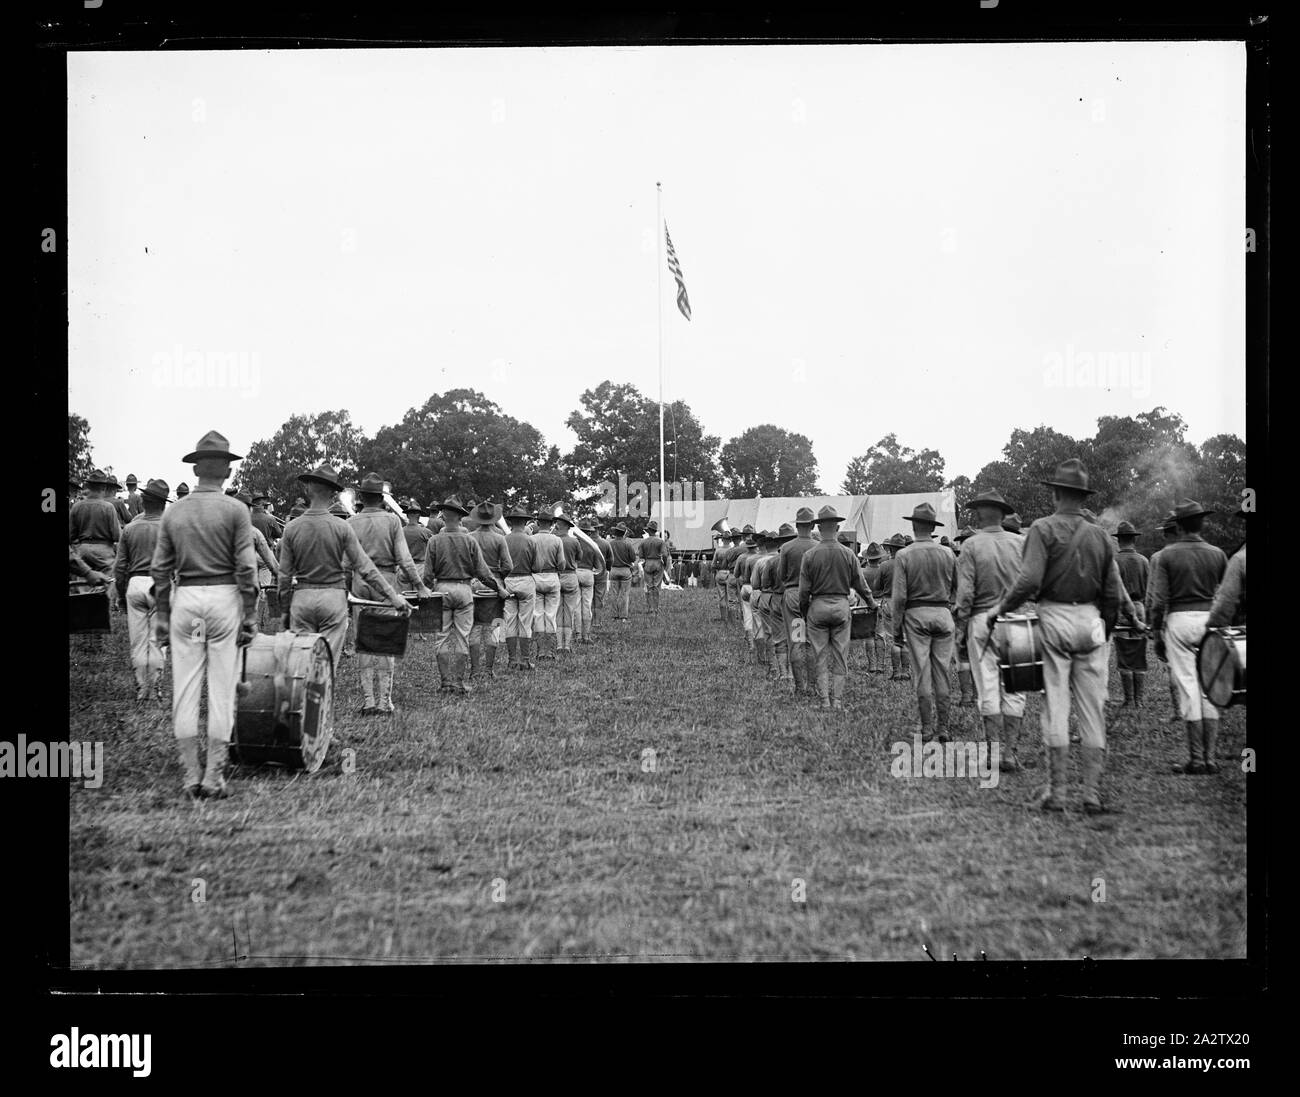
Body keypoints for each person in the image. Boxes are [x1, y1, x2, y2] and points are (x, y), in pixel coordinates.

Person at [986, 459, 1120, 813]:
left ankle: (1057, 792)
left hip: (1055, 615)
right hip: (1091, 618)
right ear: (1082, 495)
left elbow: (1029, 581)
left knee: (1056, 706)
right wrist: (1102, 629)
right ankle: (1091, 793)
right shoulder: (1100, 536)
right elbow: (1113, 595)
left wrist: (1001, 609)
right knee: (1093, 710)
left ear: (1057, 493)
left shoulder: (1042, 529)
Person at [150, 432, 259, 801]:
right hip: (224, 599)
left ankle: (189, 774)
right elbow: (246, 568)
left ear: (196, 469)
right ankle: (213, 775)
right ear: (227, 472)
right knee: (222, 688)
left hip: (187, 601)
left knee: (185, 690)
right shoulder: (235, 511)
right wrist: (250, 614)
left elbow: (160, 570)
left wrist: (162, 616)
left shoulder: (174, 512)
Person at [278, 464, 410, 689]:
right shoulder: (341, 527)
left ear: (308, 489)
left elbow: (284, 576)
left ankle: (298, 712)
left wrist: (284, 610)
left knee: (301, 664)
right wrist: (393, 596)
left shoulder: (292, 528)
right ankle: (321, 713)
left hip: (302, 597)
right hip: (332, 598)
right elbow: (365, 568)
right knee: (326, 663)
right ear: (333, 493)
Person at [1149, 499, 1229, 776]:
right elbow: (1226, 594)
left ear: (1179, 526)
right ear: (1202, 523)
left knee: (1188, 686)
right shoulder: (1217, 554)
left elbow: (1159, 601)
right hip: (1210, 620)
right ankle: (1210, 758)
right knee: (1210, 688)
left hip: (1180, 621)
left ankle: (1195, 758)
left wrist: (1156, 631)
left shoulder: (1168, 556)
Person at [954, 488, 1028, 770]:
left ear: (981, 514)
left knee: (987, 685)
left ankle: (993, 753)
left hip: (982, 619)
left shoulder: (971, 545)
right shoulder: (1021, 543)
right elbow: (1031, 583)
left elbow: (966, 594)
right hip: (1017, 618)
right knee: (1017, 688)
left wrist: (962, 625)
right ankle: (1010, 753)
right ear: (1002, 514)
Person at [348, 473, 433, 713]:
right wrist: (419, 585)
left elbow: (345, 562)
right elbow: (404, 558)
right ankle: (385, 701)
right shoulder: (392, 521)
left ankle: (368, 700)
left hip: (359, 580)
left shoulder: (351, 522)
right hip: (386, 578)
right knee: (385, 638)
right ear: (382, 499)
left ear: (362, 497)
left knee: (362, 639)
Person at [422, 496, 507, 691]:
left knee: (441, 637)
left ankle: (445, 682)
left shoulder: (434, 541)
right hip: (464, 589)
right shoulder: (469, 541)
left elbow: (427, 575)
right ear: (460, 517)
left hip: (441, 589)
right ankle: (459, 682)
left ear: (443, 516)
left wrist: (426, 591)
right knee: (462, 636)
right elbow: (484, 573)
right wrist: (500, 589)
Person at [798, 506, 877, 709]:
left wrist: (805, 612)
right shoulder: (848, 553)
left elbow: (804, 591)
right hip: (841, 606)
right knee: (841, 656)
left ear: (818, 527)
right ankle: (838, 702)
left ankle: (824, 701)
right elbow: (860, 584)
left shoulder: (809, 555)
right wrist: (870, 603)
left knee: (819, 655)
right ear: (838, 527)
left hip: (817, 606)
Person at [893, 503, 958, 743]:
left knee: (922, 674)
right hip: (943, 614)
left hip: (916, 615)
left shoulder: (904, 554)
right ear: (933, 527)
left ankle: (927, 728)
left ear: (913, 524)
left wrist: (896, 628)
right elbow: (957, 590)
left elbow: (899, 597)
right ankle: (944, 728)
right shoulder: (948, 553)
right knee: (942, 672)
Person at [113, 478, 169, 702]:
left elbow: (120, 568)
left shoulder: (130, 528)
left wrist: (120, 594)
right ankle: (155, 689)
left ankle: (140, 688)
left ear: (143, 503)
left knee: (138, 641)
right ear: (163, 505)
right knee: (158, 641)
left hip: (135, 583)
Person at [468, 501, 513, 678]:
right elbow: (508, 564)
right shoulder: (500, 537)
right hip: (495, 583)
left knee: (474, 627)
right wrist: (499, 575)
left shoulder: (470, 536)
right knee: (494, 626)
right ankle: (488, 669)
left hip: (473, 583)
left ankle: (474, 670)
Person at [1112, 520, 1151, 709]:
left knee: (1124, 653)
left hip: (1121, 609)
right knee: (1139, 652)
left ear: (1119, 541)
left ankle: (1128, 699)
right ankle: (1140, 700)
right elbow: (1150, 589)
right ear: (1133, 540)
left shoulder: (1115, 562)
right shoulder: (1144, 561)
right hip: (1140, 607)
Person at [502, 505, 538, 670]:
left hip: (508, 581)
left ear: (511, 522)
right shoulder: (531, 540)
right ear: (525, 522)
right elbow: (537, 566)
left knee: (510, 621)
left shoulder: (504, 539)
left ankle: (511, 660)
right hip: (525, 580)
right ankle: (524, 660)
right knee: (525, 622)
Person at [69, 470, 123, 574]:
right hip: (104, 552)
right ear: (104, 487)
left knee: (81, 582)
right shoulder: (108, 508)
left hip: (82, 550)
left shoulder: (77, 507)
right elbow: (117, 535)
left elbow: (71, 535)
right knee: (109, 581)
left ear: (88, 486)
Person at [875, 533, 910, 681]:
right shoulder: (910, 563)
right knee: (905, 639)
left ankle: (896, 672)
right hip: (907, 602)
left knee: (895, 640)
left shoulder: (884, 565)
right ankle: (906, 671)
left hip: (889, 601)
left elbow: (877, 587)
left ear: (890, 548)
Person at [553, 514, 582, 653]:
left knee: (559, 612)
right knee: (569, 611)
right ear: (568, 526)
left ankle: (559, 645)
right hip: (571, 576)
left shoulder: (554, 540)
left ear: (560, 524)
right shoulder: (575, 542)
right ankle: (567, 645)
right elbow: (579, 558)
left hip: (557, 576)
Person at [575, 521, 606, 643]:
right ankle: (586, 635)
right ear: (589, 532)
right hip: (588, 573)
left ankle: (577, 634)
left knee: (576, 606)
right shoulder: (593, 545)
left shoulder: (575, 542)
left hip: (576, 572)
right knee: (587, 605)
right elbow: (598, 566)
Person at [857, 542, 886, 675]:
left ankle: (872, 665)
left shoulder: (863, 572)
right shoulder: (883, 570)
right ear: (879, 557)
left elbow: (859, 589)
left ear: (867, 558)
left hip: (866, 603)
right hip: (880, 603)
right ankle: (881, 665)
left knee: (869, 635)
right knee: (880, 635)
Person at [637, 520, 668, 617]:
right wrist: (665, 564)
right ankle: (656, 608)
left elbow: (641, 555)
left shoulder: (643, 542)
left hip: (648, 563)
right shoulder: (660, 541)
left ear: (649, 530)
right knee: (657, 586)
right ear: (655, 531)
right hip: (658, 563)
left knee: (649, 586)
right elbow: (665, 554)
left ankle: (650, 608)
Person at [606, 525, 636, 623]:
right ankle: (623, 617)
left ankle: (614, 616)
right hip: (625, 570)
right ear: (624, 533)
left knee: (614, 594)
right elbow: (633, 558)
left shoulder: (610, 543)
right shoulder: (628, 544)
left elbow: (607, 557)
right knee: (624, 594)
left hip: (613, 570)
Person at [402, 499, 435, 570]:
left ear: (407, 515)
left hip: (404, 567)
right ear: (419, 516)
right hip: (420, 567)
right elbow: (434, 550)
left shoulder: (400, 531)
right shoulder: (426, 532)